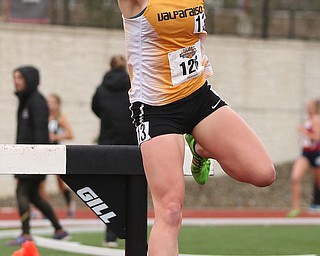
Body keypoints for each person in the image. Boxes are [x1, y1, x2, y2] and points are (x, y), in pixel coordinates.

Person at [117, 1, 276, 255]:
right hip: (157, 109)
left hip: (198, 97)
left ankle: (200, 148)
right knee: (170, 210)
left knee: (263, 173)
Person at [7, 66, 69, 246]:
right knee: (34, 195)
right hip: (25, 157)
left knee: (22, 192)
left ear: (29, 79)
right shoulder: (26, 100)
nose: (15, 81)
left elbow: (40, 133)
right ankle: (59, 229)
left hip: (33, 159)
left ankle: (26, 234)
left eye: (19, 77)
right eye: (14, 77)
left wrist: (38, 160)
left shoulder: (36, 101)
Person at [92, 55, 137, 248]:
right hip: (130, 142)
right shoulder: (133, 85)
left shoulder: (102, 89)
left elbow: (95, 108)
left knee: (109, 189)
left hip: (108, 141)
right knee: (132, 189)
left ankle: (110, 235)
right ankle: (135, 234)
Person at [39, 93, 76, 218]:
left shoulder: (60, 118)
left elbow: (71, 134)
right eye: (48, 102)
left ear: (58, 104)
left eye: (53, 102)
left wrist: (56, 136)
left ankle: (69, 205)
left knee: (60, 183)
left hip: (57, 152)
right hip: (45, 152)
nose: (50, 105)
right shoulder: (44, 116)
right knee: (41, 182)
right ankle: (45, 210)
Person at [288, 98, 320, 217]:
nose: (307, 108)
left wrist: (303, 131)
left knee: (318, 182)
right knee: (295, 177)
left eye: (310, 106)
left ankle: (316, 204)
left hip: (316, 153)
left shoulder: (316, 119)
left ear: (315, 107)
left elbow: (317, 137)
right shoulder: (308, 120)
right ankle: (295, 208)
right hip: (305, 153)